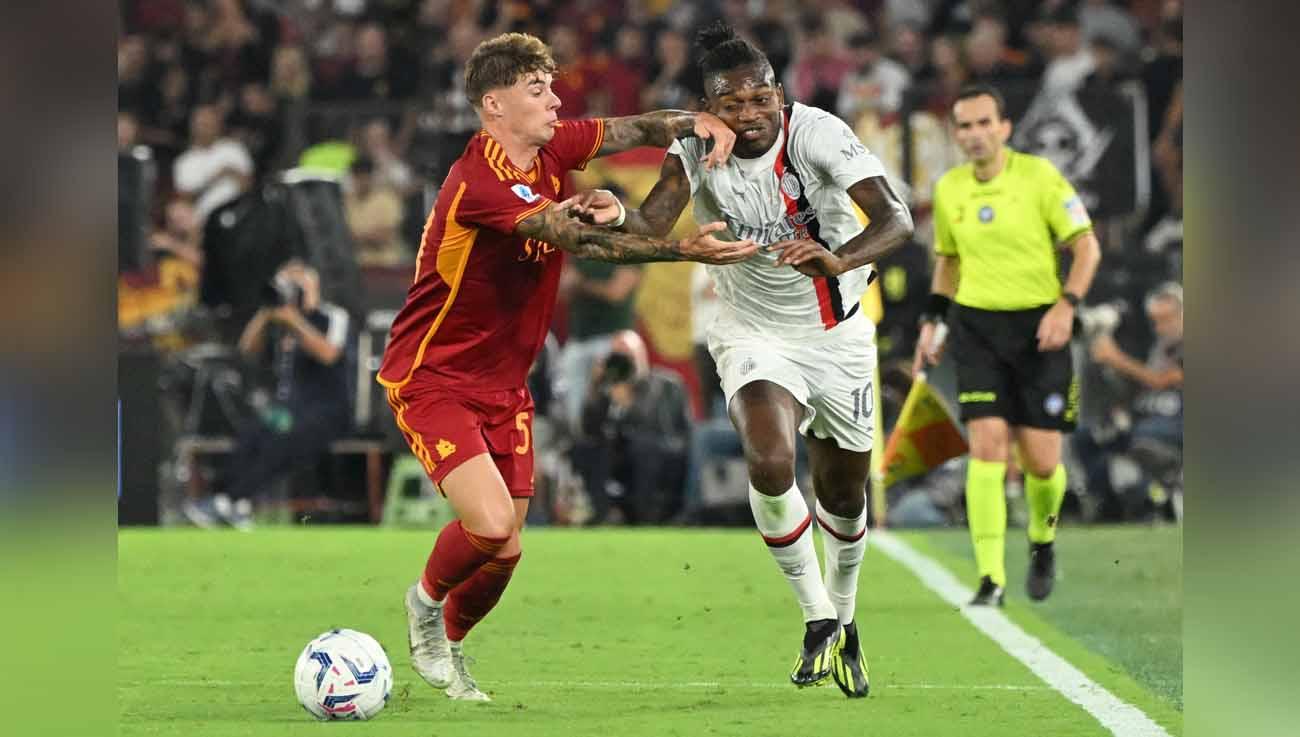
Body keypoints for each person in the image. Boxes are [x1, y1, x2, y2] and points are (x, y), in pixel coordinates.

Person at [379, 32, 758, 703]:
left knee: (508, 548)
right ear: (495, 106)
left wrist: (690, 120)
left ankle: (454, 647)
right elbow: (575, 239)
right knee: (491, 526)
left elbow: (628, 128)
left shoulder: (552, 145)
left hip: (504, 383)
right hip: (433, 377)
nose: (557, 98)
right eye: (538, 89)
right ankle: (423, 606)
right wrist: (678, 249)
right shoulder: (479, 181)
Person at [570, 22, 913, 697]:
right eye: (733, 104)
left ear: (779, 95)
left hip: (837, 332)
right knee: (770, 457)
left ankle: (845, 618)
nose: (751, 115)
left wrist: (838, 257)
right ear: (709, 108)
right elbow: (649, 229)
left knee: (844, 495)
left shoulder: (815, 132)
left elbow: (896, 219)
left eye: (762, 99)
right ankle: (817, 617)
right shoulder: (693, 150)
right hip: (752, 330)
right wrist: (612, 215)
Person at [914, 83, 1102, 606]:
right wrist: (933, 323)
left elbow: (1086, 248)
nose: (973, 135)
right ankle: (990, 577)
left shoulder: (1039, 178)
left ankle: (1042, 542)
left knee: (1042, 463)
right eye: (964, 126)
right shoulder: (950, 188)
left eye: (982, 124)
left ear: (1004, 128)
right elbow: (948, 261)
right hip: (976, 329)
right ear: (955, 133)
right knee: (987, 447)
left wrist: (1067, 305)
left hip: (1040, 329)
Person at [181, 261, 352, 530]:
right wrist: (265, 313)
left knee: (283, 437)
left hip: (327, 410)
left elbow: (328, 354)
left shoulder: (332, 316)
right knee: (252, 433)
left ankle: (232, 500)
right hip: (289, 410)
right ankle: (233, 502)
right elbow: (246, 351)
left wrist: (296, 319)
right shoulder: (279, 321)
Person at [570, 330, 691, 525]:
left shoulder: (663, 384)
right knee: (585, 449)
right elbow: (588, 429)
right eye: (617, 356)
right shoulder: (607, 388)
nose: (623, 362)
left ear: (641, 356)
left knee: (641, 448)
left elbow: (655, 426)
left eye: (627, 355)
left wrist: (628, 402)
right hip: (620, 452)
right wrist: (595, 387)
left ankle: (646, 518)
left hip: (661, 450)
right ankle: (603, 515)